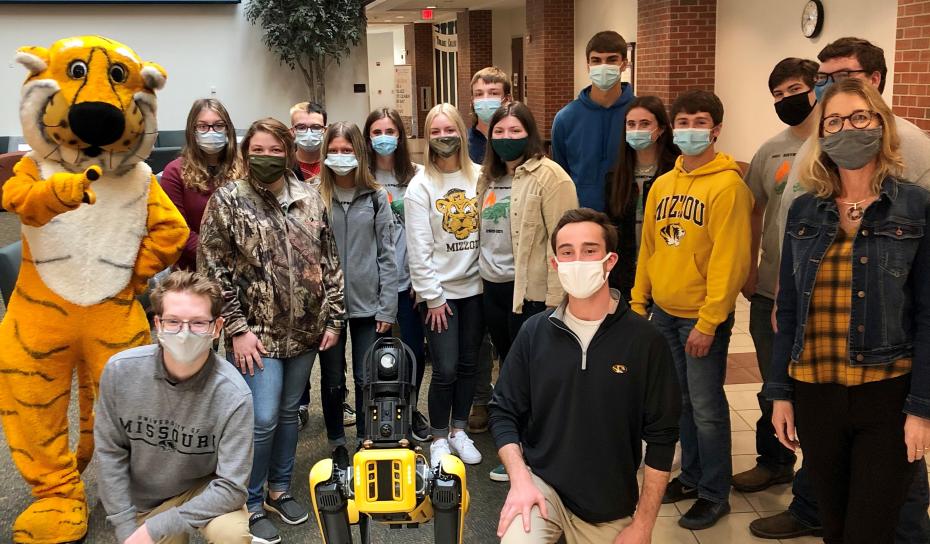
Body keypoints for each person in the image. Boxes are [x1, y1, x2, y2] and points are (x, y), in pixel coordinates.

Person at [757, 37, 930, 542]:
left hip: (886, 394)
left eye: (859, 118)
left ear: (881, 124)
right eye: (833, 121)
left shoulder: (914, 207)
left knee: (870, 529)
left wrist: (921, 407)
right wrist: (780, 394)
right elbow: (787, 311)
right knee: (834, 526)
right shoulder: (807, 209)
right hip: (815, 394)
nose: (846, 129)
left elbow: (926, 315)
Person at [489, 208, 680, 543]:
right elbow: (503, 411)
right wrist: (520, 479)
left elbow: (663, 437)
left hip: (607, 505)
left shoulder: (645, 341)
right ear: (555, 264)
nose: (577, 261)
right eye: (567, 253)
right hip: (542, 487)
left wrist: (643, 524)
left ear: (610, 261)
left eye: (589, 251)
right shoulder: (534, 333)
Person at [198, 117, 345, 544]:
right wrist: (237, 329)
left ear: (288, 151)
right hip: (255, 333)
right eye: (256, 150)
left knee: (287, 414)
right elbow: (212, 271)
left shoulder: (308, 196)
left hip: (305, 331)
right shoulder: (228, 200)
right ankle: (250, 498)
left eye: (274, 149)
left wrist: (334, 316)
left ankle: (281, 488)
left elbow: (328, 260)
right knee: (259, 418)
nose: (265, 157)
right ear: (247, 153)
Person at [630, 90, 753, 529]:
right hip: (663, 312)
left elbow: (731, 260)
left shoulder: (729, 187)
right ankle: (694, 475)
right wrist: (638, 300)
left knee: (706, 407)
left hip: (702, 319)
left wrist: (709, 321)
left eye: (700, 122)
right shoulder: (663, 183)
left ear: (716, 130)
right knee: (677, 403)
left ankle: (715, 493)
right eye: (683, 121)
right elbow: (649, 248)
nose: (690, 130)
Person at [95, 271, 253, 544]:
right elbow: (110, 454)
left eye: (198, 323)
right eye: (173, 321)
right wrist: (125, 527)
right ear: (158, 323)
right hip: (144, 499)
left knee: (233, 534)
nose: (184, 332)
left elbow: (232, 487)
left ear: (217, 328)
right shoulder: (120, 372)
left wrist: (155, 528)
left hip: (203, 488)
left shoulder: (234, 395)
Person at [475, 101, 579, 482]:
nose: (506, 138)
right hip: (494, 289)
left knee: (536, 376)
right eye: (499, 132)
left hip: (532, 294)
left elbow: (565, 243)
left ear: (530, 133)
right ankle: (520, 452)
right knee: (511, 370)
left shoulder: (551, 177)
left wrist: (557, 301)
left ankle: (540, 458)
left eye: (515, 131)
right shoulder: (486, 178)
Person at [734, 57, 820, 497]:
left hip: (821, 294)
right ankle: (774, 461)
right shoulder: (770, 151)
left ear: (816, 88)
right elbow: (753, 211)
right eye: (778, 94)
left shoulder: (834, 145)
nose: (787, 100)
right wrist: (749, 270)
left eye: (794, 90)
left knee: (815, 394)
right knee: (772, 384)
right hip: (770, 289)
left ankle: (818, 481)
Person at [405, 103, 484, 467]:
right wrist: (433, 298)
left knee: (470, 364)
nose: (443, 137)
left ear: (462, 133)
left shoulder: (480, 177)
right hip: (441, 296)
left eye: (449, 130)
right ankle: (438, 437)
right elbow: (418, 251)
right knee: (446, 367)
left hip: (477, 290)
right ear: (427, 137)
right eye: (435, 132)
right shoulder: (420, 186)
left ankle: (458, 429)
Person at [316, 120, 397, 460]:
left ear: (359, 154)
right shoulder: (314, 194)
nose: (340, 156)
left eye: (346, 151)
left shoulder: (376, 196)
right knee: (333, 376)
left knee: (368, 376)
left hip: (369, 304)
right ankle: (336, 439)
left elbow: (387, 253)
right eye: (333, 151)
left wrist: (387, 305)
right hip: (328, 307)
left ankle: (366, 436)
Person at [363, 107, 432, 442]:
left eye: (390, 131)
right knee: (376, 354)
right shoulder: (361, 175)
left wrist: (422, 278)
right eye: (376, 132)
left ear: (401, 137)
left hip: (410, 281)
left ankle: (411, 406)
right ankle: (378, 412)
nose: (383, 138)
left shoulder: (417, 175)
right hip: (373, 285)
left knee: (414, 352)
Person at [605, 95, 680, 300]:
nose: (637, 130)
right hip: (625, 277)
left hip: (666, 275)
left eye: (645, 124)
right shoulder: (615, 177)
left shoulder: (676, 172)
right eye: (631, 124)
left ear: (662, 129)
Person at [551, 30, 635, 212]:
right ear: (588, 65)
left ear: (624, 64)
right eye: (596, 60)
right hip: (580, 216)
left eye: (612, 60)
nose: (603, 66)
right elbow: (560, 176)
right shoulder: (565, 118)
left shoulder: (639, 114)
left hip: (630, 216)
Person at [160, 98, 243, 271]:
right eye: (203, 126)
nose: (211, 131)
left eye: (218, 125)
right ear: (193, 131)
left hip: (241, 267)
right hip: (193, 271)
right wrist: (217, 257)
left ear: (228, 130)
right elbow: (177, 229)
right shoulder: (174, 171)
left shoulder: (245, 168)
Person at [468, 66, 512, 164]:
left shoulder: (516, 140)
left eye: (493, 93)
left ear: (507, 99)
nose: (485, 99)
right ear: (472, 101)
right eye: (479, 94)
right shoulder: (464, 144)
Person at [290, 101, 327, 182]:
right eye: (301, 127)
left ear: (325, 130)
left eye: (316, 127)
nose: (309, 133)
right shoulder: (286, 166)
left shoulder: (333, 164)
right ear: (292, 131)